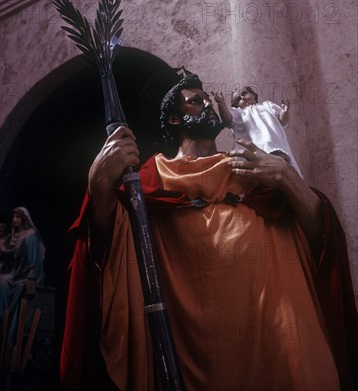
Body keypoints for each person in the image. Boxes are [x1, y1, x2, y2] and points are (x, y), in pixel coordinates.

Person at [61, 74, 357, 390]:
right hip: (197, 358)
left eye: (206, 99)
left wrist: (287, 178)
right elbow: (107, 242)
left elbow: (320, 237)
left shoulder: (251, 166)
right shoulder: (152, 181)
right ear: (174, 118)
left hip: (281, 346)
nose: (208, 104)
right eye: (195, 100)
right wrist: (99, 184)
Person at [214, 86, 302, 176]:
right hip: (254, 150)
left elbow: (282, 121)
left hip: (276, 145)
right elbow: (228, 120)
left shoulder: (267, 105)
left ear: (253, 95)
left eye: (244, 94)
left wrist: (285, 112)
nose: (243, 98)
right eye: (238, 99)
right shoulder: (238, 113)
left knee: (285, 170)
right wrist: (221, 104)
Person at [0, 207, 45, 342]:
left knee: (7, 284)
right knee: (3, 282)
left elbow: (34, 260)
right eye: (13, 217)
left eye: (18, 217)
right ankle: (2, 318)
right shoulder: (11, 237)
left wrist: (32, 277)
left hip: (24, 275)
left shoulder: (30, 235)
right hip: (14, 273)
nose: (14, 220)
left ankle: (9, 324)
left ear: (23, 219)